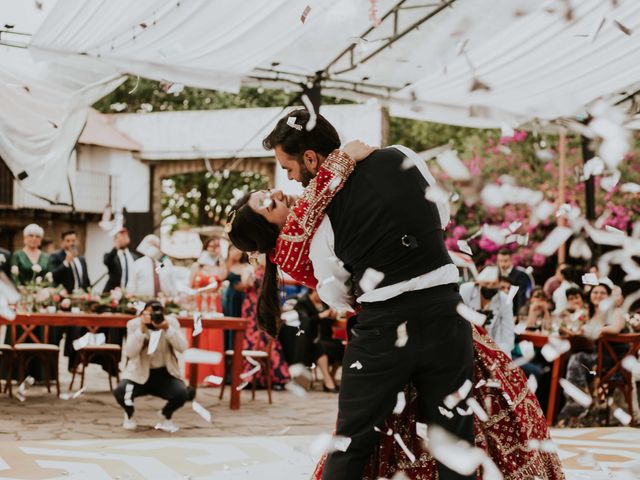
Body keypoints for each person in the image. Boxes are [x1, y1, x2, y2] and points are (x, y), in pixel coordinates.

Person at [226, 110, 562, 479]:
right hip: (446, 317)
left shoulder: (319, 219)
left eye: (288, 168)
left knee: (352, 443)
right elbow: (441, 214)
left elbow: (337, 292)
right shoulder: (402, 154)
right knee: (456, 440)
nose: (287, 180)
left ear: (310, 159)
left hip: (383, 328)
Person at [113, 300, 189, 432]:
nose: (154, 316)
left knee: (182, 393)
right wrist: (141, 330)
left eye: (157, 312)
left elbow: (183, 347)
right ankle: (129, 414)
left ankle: (166, 415)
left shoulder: (170, 322)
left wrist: (167, 329)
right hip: (138, 374)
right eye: (149, 313)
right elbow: (130, 353)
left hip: (164, 373)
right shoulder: (134, 324)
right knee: (121, 391)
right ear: (142, 313)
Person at [557, 281, 627, 425]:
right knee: (568, 359)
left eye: (603, 293)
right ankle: (577, 406)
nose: (598, 295)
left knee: (577, 360)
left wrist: (598, 329)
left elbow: (616, 328)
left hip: (613, 358)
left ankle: (578, 405)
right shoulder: (589, 312)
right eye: (595, 292)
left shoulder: (616, 311)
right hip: (594, 356)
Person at [239, 256, 290, 389]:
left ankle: (275, 378)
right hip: (250, 308)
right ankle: (250, 378)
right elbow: (245, 284)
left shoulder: (271, 271)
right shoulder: (248, 269)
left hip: (266, 306)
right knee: (250, 340)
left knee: (269, 339)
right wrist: (250, 272)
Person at [49, 230, 94, 372]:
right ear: (63, 242)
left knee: (76, 334)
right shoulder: (56, 257)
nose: (71, 243)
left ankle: (73, 365)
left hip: (79, 302)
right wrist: (66, 263)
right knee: (56, 335)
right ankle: (51, 368)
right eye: (68, 241)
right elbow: (53, 276)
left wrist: (90, 294)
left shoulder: (82, 259)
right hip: (62, 302)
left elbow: (85, 281)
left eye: (73, 240)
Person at [183, 237, 226, 384]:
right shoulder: (197, 266)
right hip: (199, 304)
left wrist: (220, 260)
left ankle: (213, 375)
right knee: (199, 337)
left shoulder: (220, 265)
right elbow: (190, 286)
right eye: (211, 246)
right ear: (205, 247)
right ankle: (197, 373)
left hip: (214, 303)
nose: (214, 248)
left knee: (214, 338)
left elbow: (222, 279)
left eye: (217, 246)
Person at [294, 288, 344, 393]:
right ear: (313, 291)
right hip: (309, 341)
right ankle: (327, 380)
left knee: (342, 348)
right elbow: (304, 322)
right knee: (320, 348)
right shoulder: (302, 303)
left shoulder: (324, 303)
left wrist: (332, 317)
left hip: (326, 339)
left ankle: (331, 376)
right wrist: (321, 315)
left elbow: (327, 323)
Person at [460, 267, 515, 356]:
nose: (490, 286)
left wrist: (497, 355)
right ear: (479, 282)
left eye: (494, 284)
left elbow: (508, 334)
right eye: (486, 283)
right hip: (465, 344)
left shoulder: (504, 300)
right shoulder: (466, 290)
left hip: (491, 348)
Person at [221, 245, 253, 350]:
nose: (237, 252)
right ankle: (228, 348)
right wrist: (230, 259)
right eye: (233, 249)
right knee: (229, 321)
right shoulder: (225, 265)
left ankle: (239, 348)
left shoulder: (246, 266)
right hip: (229, 298)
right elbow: (221, 277)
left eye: (239, 249)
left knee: (241, 321)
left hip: (243, 298)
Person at [496, 249, 531, 315]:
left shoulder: (520, 275)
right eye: (500, 261)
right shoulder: (496, 275)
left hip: (513, 312)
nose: (503, 264)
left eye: (506, 261)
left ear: (511, 260)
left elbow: (521, 297)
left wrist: (518, 315)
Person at [103, 228, 137, 293]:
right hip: (113, 294)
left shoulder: (134, 258)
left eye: (125, 236)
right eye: (120, 236)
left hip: (130, 294)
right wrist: (117, 245)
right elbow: (107, 261)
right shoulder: (112, 256)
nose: (123, 238)